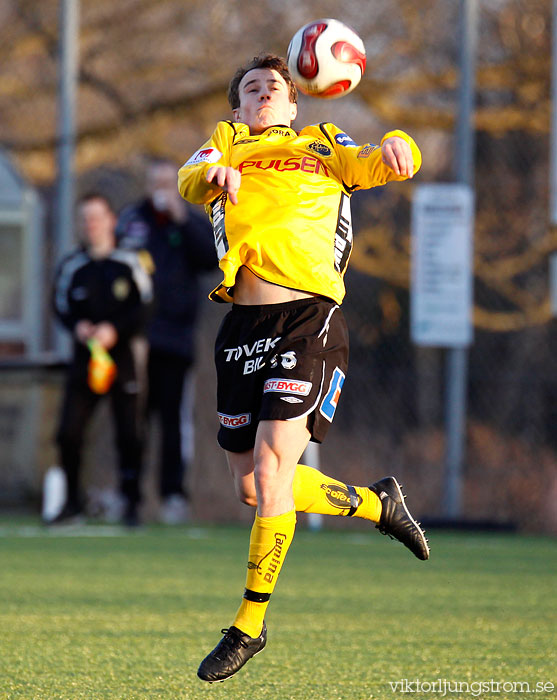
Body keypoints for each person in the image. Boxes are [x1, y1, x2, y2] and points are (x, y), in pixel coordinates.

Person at [178, 53, 429, 683]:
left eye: (274, 88)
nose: (264, 95)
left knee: (270, 468)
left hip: (307, 320)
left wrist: (401, 145)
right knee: (252, 487)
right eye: (251, 90)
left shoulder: (323, 145)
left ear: (295, 104)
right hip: (240, 327)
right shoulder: (227, 146)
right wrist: (215, 177)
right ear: (237, 108)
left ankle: (248, 625)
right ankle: (376, 505)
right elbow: (193, 175)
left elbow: (385, 156)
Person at [117, 159, 217, 524]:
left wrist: (180, 220)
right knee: (133, 418)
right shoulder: (131, 221)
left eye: (166, 183)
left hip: (176, 341)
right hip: (134, 341)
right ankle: (129, 496)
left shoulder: (190, 222)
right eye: (155, 182)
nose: (160, 189)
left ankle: (172, 495)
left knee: (173, 421)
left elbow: (211, 258)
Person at [50, 192, 153, 527]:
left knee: (129, 432)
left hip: (122, 357)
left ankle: (131, 504)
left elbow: (146, 304)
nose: (91, 225)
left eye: (97, 217)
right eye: (85, 219)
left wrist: (115, 330)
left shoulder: (131, 260)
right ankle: (72, 503)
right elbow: (60, 304)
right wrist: (78, 327)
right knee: (69, 432)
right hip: (84, 359)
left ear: (111, 220)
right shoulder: (73, 266)